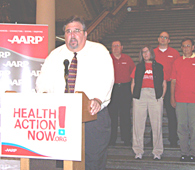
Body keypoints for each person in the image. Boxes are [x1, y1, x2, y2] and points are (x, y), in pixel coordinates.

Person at [36, 15, 114, 170]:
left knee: (92, 163)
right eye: (68, 31)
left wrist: (97, 99)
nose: (72, 35)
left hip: (93, 118)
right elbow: (42, 81)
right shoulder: (55, 55)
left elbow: (107, 78)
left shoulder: (99, 51)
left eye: (77, 31)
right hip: (61, 119)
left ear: (85, 34)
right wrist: (44, 96)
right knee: (62, 163)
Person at [171, 38, 195, 162]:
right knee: (181, 126)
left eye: (188, 46)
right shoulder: (177, 61)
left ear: (193, 47)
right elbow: (173, 81)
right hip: (180, 99)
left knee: (194, 127)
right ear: (181, 48)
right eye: (183, 46)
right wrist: (172, 97)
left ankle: (194, 152)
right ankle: (184, 152)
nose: (186, 48)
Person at [131, 45, 167, 160]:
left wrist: (161, 96)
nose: (145, 54)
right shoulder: (138, 67)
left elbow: (164, 83)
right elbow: (133, 82)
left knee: (157, 124)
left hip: (154, 95)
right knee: (138, 125)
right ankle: (138, 150)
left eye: (147, 52)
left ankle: (157, 151)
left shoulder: (159, 67)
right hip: (140, 95)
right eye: (143, 52)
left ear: (151, 53)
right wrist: (134, 96)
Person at [154, 31, 180, 147]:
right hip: (155, 86)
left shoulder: (174, 53)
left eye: (166, 37)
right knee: (155, 114)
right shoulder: (152, 52)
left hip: (170, 86)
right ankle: (153, 139)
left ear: (169, 40)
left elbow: (179, 70)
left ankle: (173, 139)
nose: (163, 39)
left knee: (171, 114)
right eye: (161, 37)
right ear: (158, 39)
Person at [108, 40, 135, 146]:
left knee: (125, 115)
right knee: (112, 116)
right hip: (112, 89)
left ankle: (127, 139)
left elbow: (133, 74)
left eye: (117, 46)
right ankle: (112, 139)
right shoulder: (108, 59)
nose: (115, 48)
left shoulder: (127, 59)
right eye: (113, 46)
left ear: (122, 47)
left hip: (125, 89)